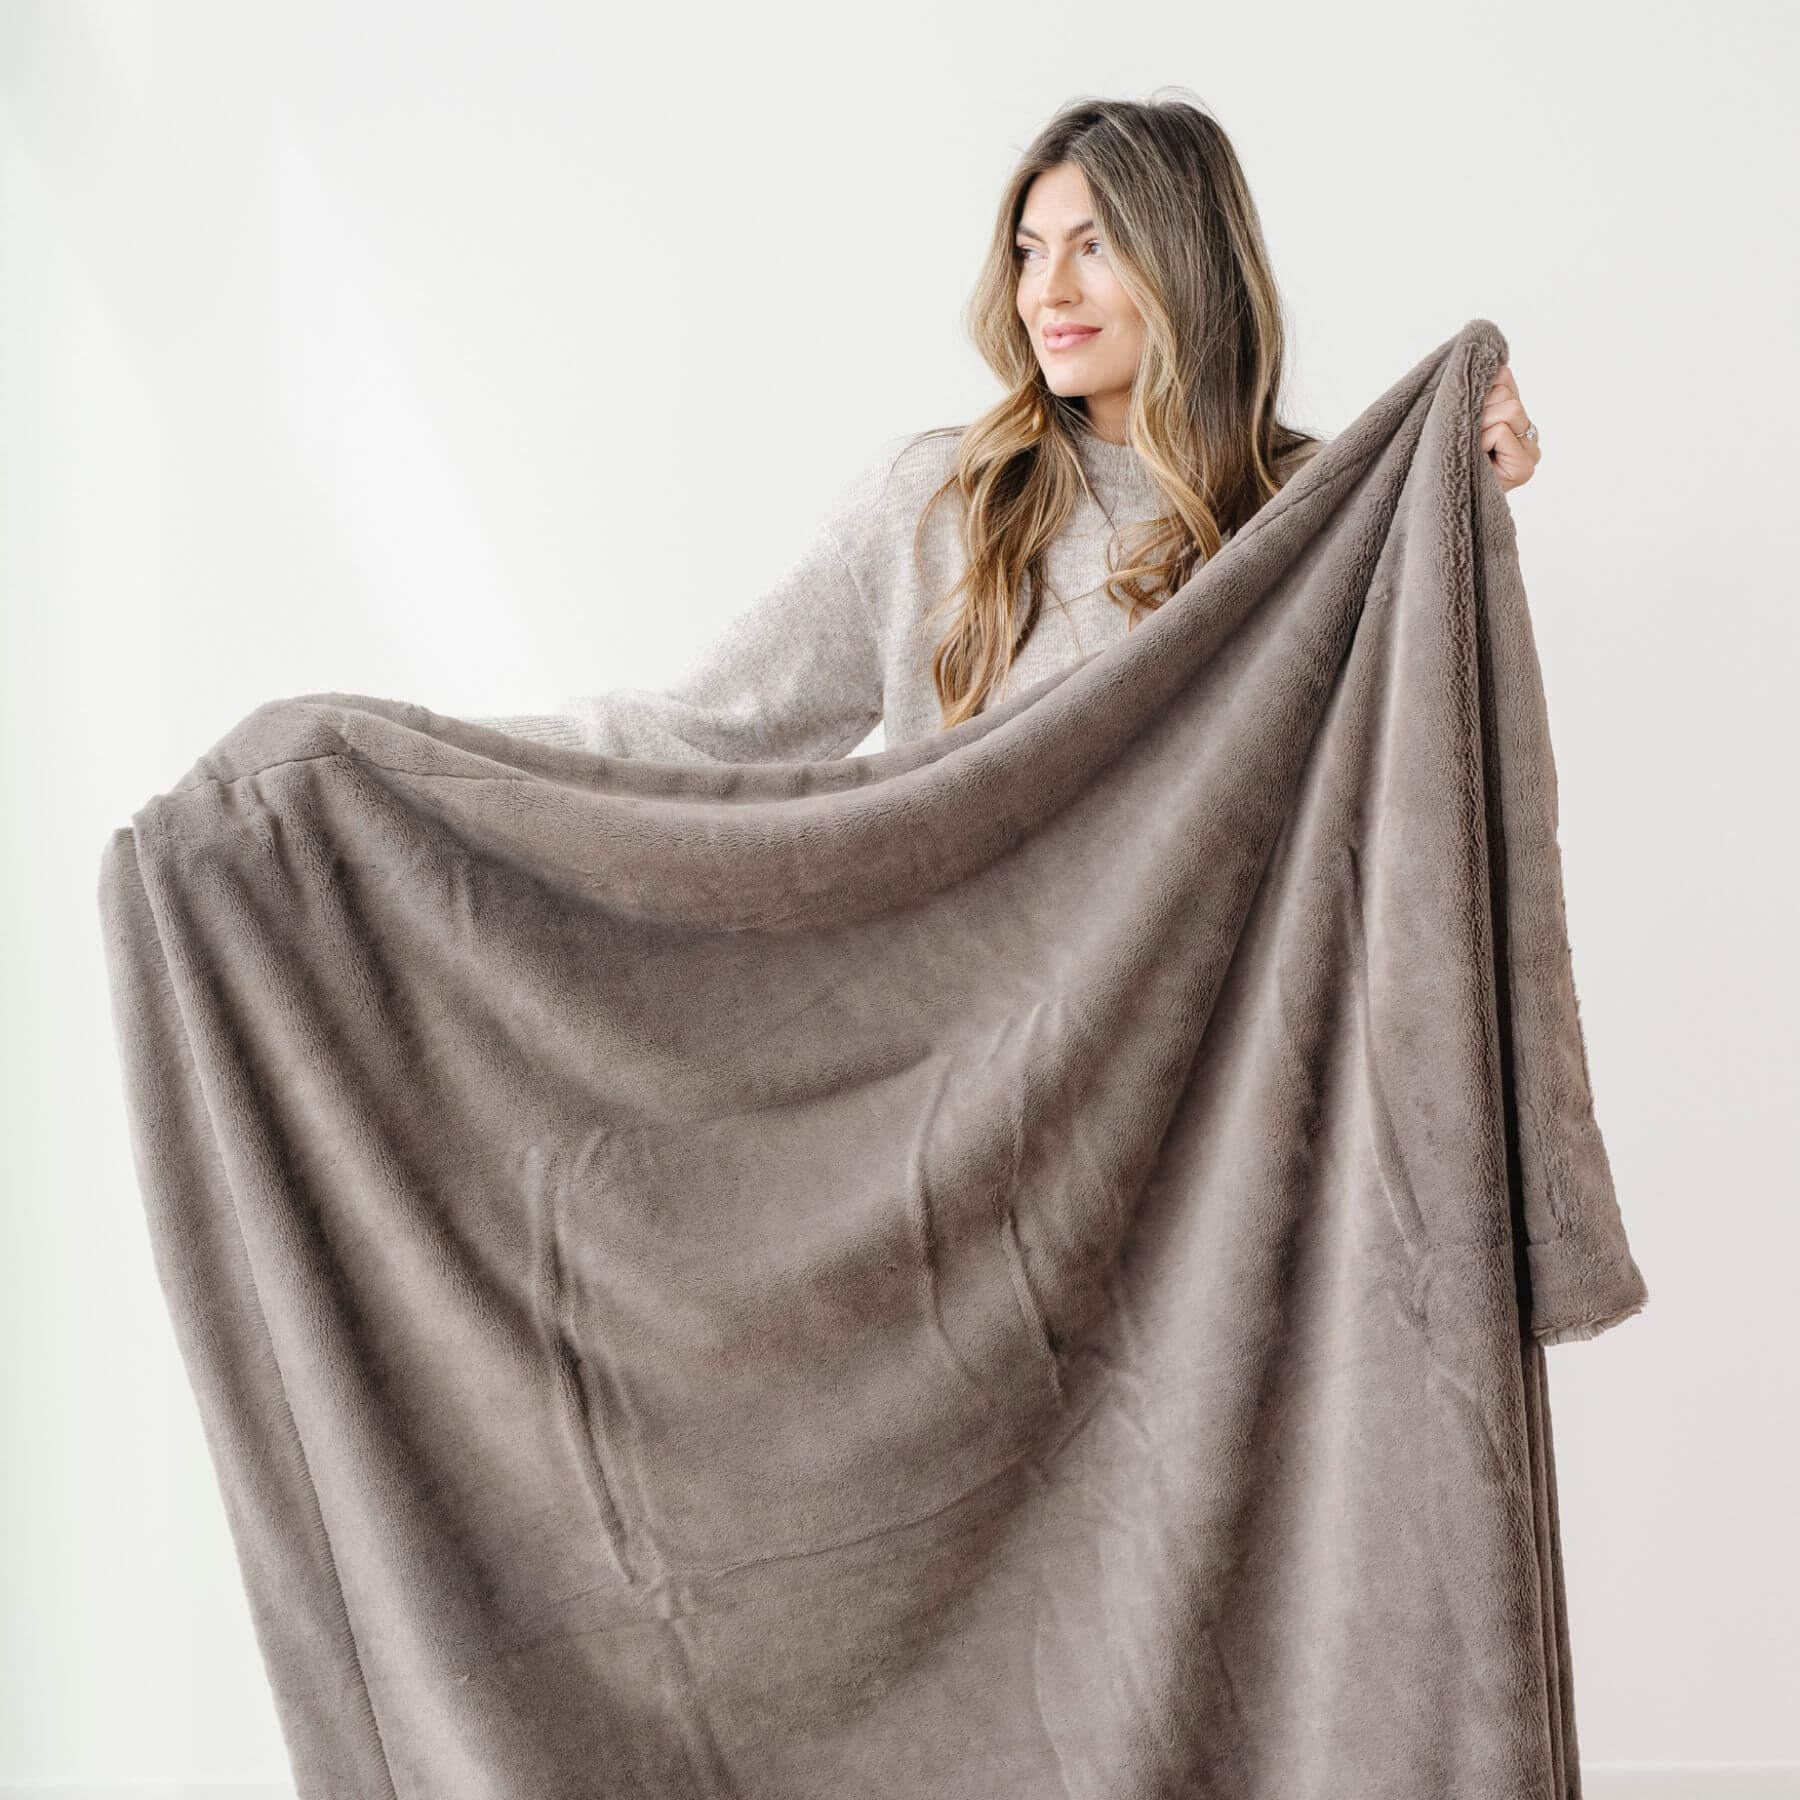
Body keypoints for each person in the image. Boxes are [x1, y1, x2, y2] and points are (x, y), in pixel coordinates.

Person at [472, 92, 1539, 763]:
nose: (1048, 293)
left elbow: (1416, 779)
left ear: (1186, 263)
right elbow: (712, 729)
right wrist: (435, 763)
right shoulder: (943, 498)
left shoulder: (1307, 516)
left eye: (1095, 246)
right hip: (969, 1067)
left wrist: (1463, 485)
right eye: (1029, 251)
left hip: (1219, 1087)